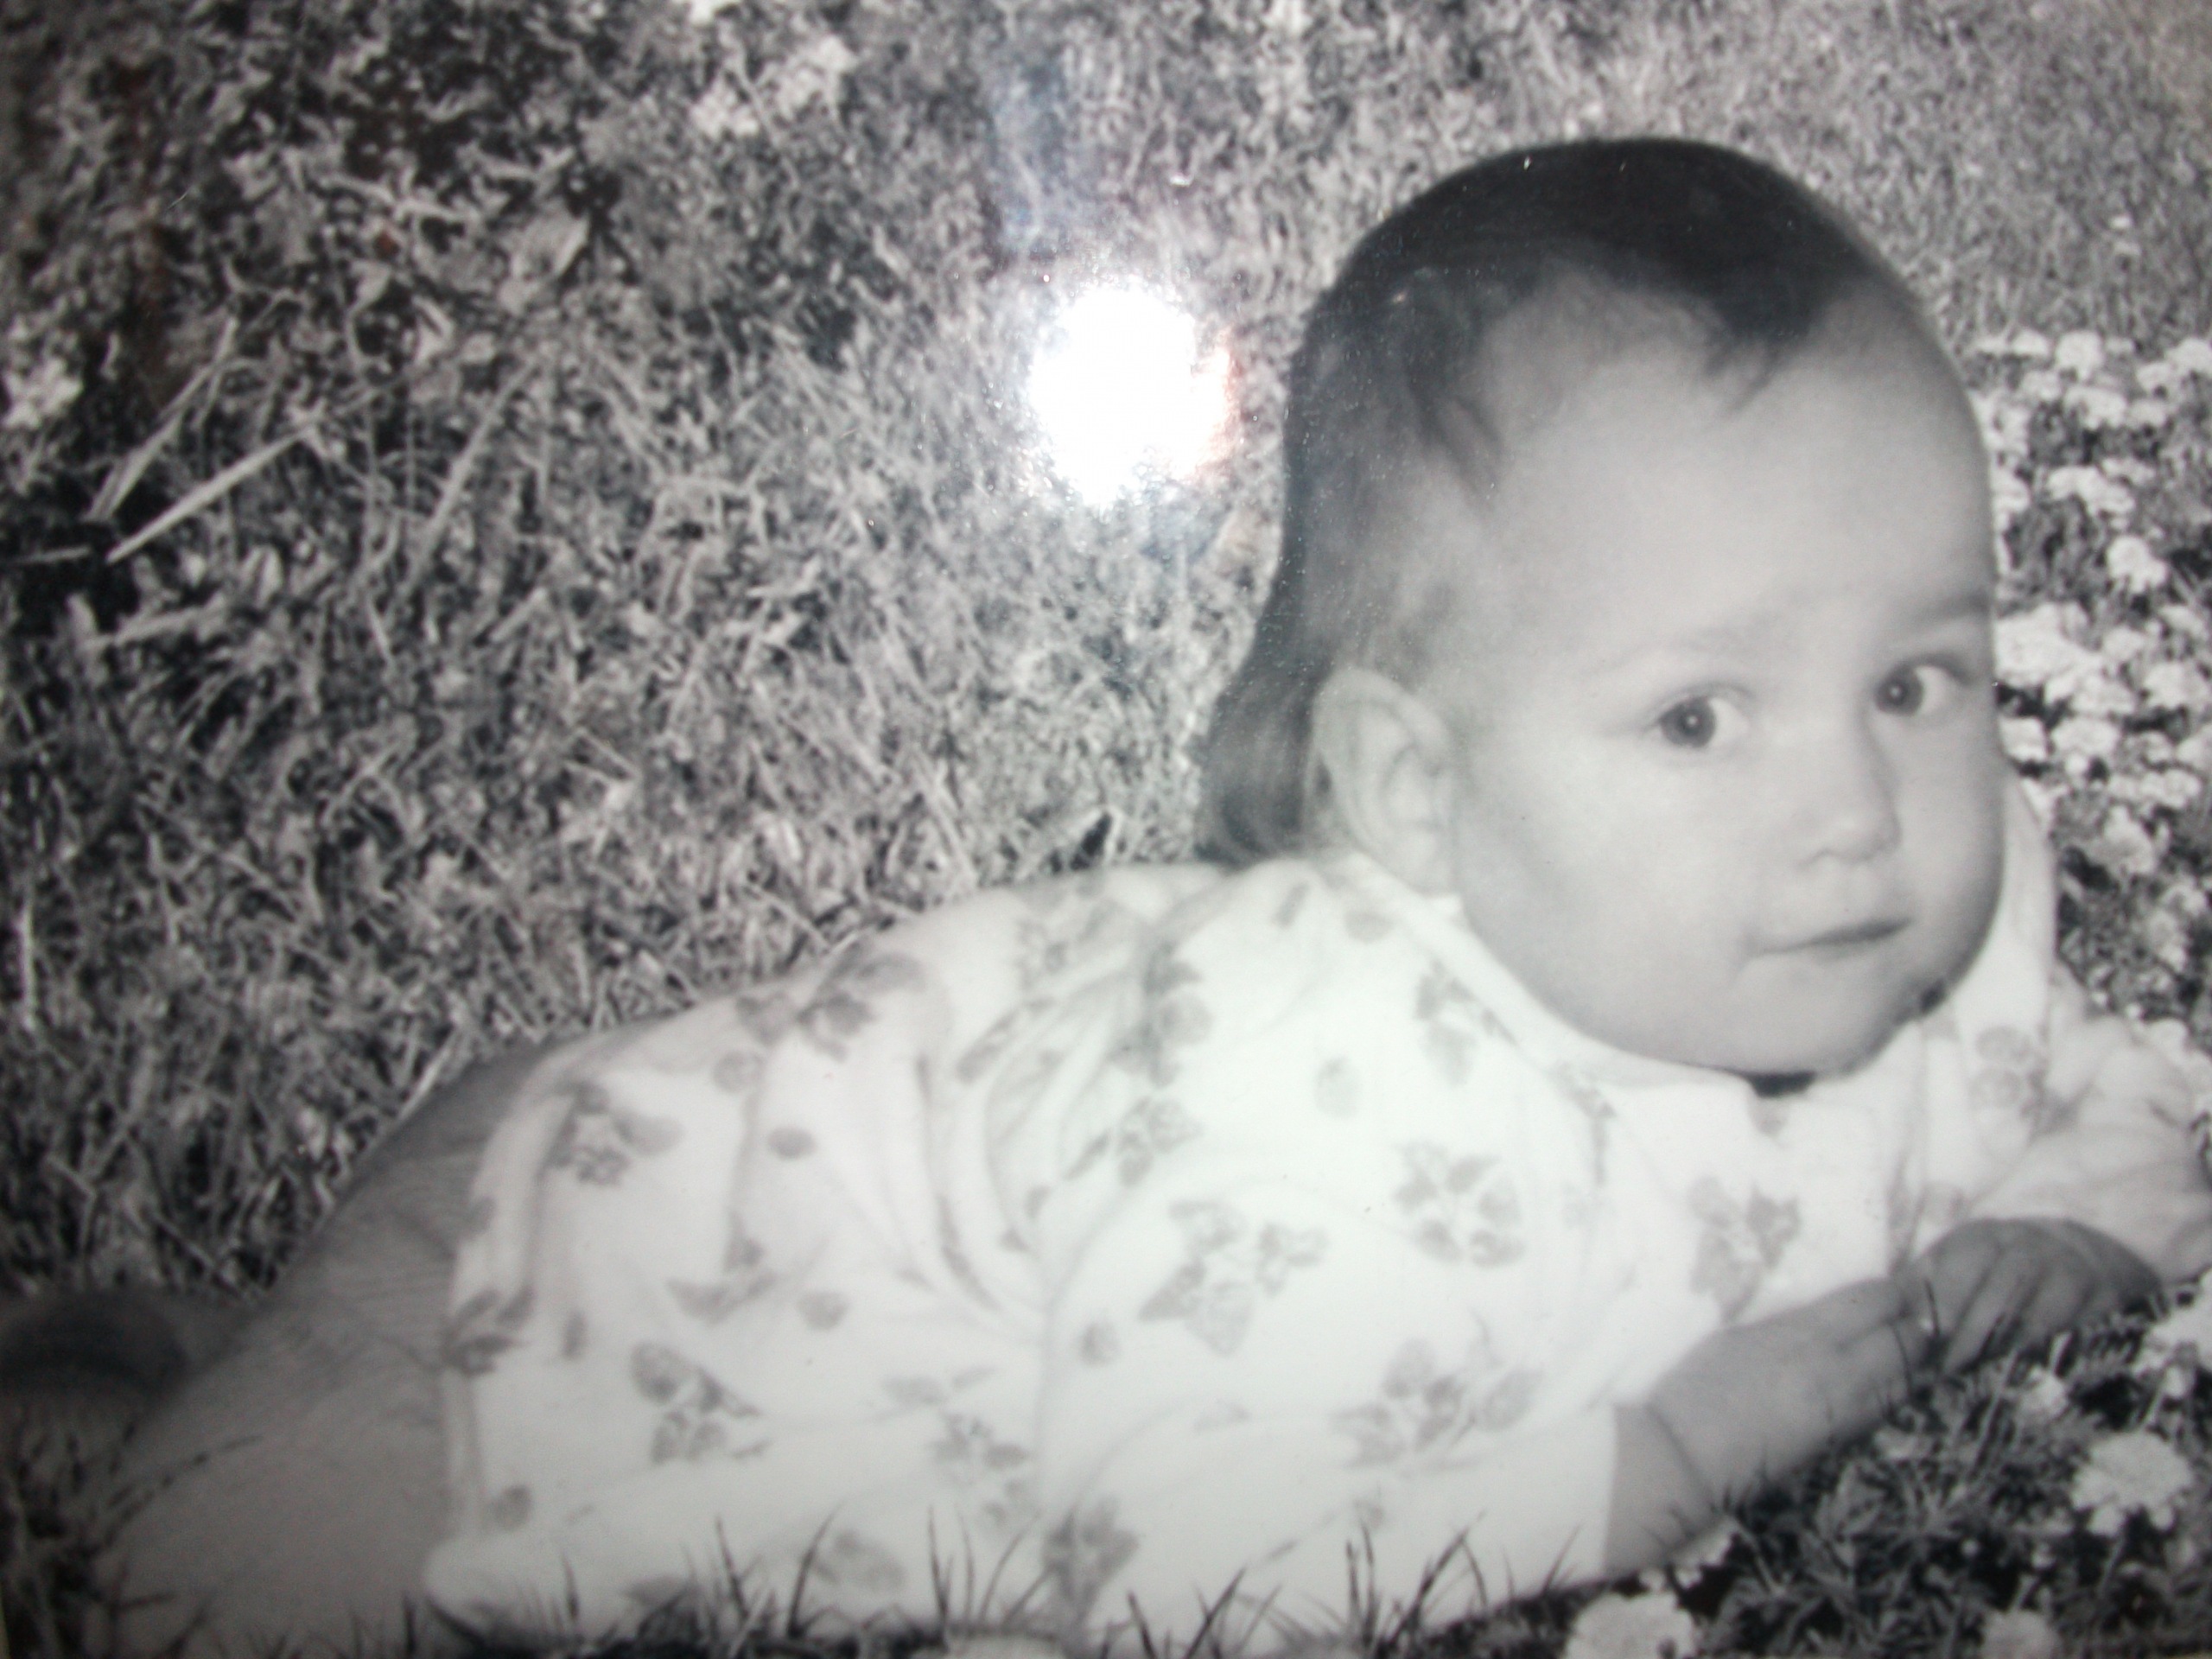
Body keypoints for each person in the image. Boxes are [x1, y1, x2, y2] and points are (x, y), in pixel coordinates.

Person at [33, 137, 2212, 1657]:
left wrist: (2083, 1222)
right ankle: (191, 1396)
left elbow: (2095, 1081)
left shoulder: (1916, 910)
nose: (1854, 807)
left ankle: (149, 1354)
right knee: (214, 1601)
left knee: (181, 1424)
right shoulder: (1319, 1121)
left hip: (855, 1213)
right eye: (1696, 719)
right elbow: (1167, 1552)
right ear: (1415, 794)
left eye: (1914, 679)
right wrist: (1633, 1466)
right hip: (595, 1230)